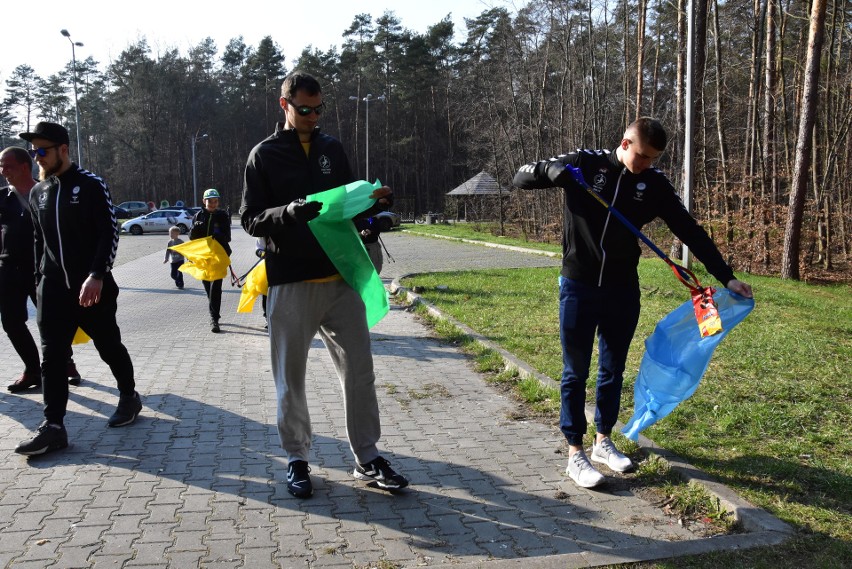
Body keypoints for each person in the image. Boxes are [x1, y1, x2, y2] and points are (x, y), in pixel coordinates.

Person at [512, 117, 753, 488]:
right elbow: (522, 176)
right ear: (625, 144)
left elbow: (689, 230)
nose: (645, 165)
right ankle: (574, 452)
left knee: (613, 368)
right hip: (578, 285)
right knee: (575, 371)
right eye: (641, 156)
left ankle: (602, 440)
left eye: (652, 159)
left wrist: (727, 277)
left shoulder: (653, 184)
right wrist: (552, 170)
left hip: (623, 289)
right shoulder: (586, 164)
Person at [241, 70, 407, 498]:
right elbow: (250, 219)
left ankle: (367, 458)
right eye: (304, 109)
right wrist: (289, 213)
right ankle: (297, 459)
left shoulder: (332, 148)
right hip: (291, 283)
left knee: (360, 373)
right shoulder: (264, 155)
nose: (313, 116)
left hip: (341, 278)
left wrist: (374, 206)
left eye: (319, 109)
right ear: (285, 105)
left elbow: (348, 205)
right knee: (290, 379)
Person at [14, 122, 142, 456]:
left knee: (108, 345)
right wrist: (38, 282)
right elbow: (38, 241)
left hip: (92, 288)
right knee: (52, 357)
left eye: (43, 151)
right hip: (53, 290)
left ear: (63, 150)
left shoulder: (90, 185)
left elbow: (108, 233)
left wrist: (97, 274)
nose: (37, 157)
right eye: (33, 151)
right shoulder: (38, 192)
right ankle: (54, 426)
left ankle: (129, 397)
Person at [1, 147, 83, 392]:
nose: (3, 171)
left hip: (45, 269)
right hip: (8, 270)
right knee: (12, 323)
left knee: (54, 321)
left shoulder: (48, 191)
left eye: (7, 166)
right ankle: (32, 370)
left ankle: (66, 363)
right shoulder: (1, 197)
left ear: (25, 167)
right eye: (1, 166)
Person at [189, 188, 231, 333]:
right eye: (210, 201)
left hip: (218, 256)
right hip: (203, 257)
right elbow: (192, 239)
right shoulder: (198, 215)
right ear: (204, 201)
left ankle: (214, 319)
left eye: (215, 201)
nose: (213, 204)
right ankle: (214, 313)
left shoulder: (223, 216)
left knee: (215, 288)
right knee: (208, 288)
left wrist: (218, 236)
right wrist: (194, 229)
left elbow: (228, 237)